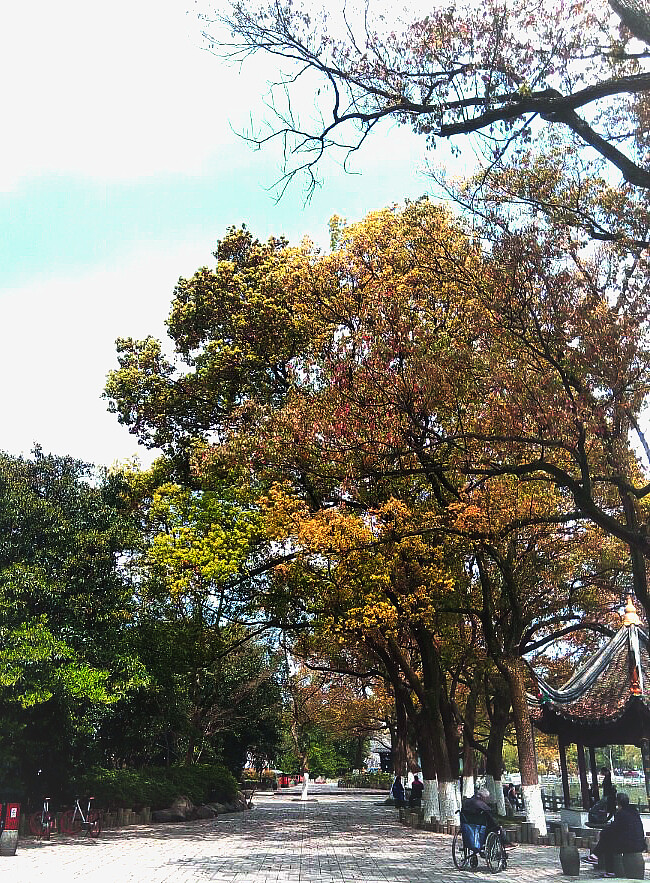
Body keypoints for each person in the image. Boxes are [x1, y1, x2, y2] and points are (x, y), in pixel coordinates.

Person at [583, 792, 646, 875]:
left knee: (607, 843)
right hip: (639, 843)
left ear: (618, 803)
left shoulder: (622, 813)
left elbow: (614, 829)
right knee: (608, 839)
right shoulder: (633, 812)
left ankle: (601, 862)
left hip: (631, 845)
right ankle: (595, 857)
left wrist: (603, 833)